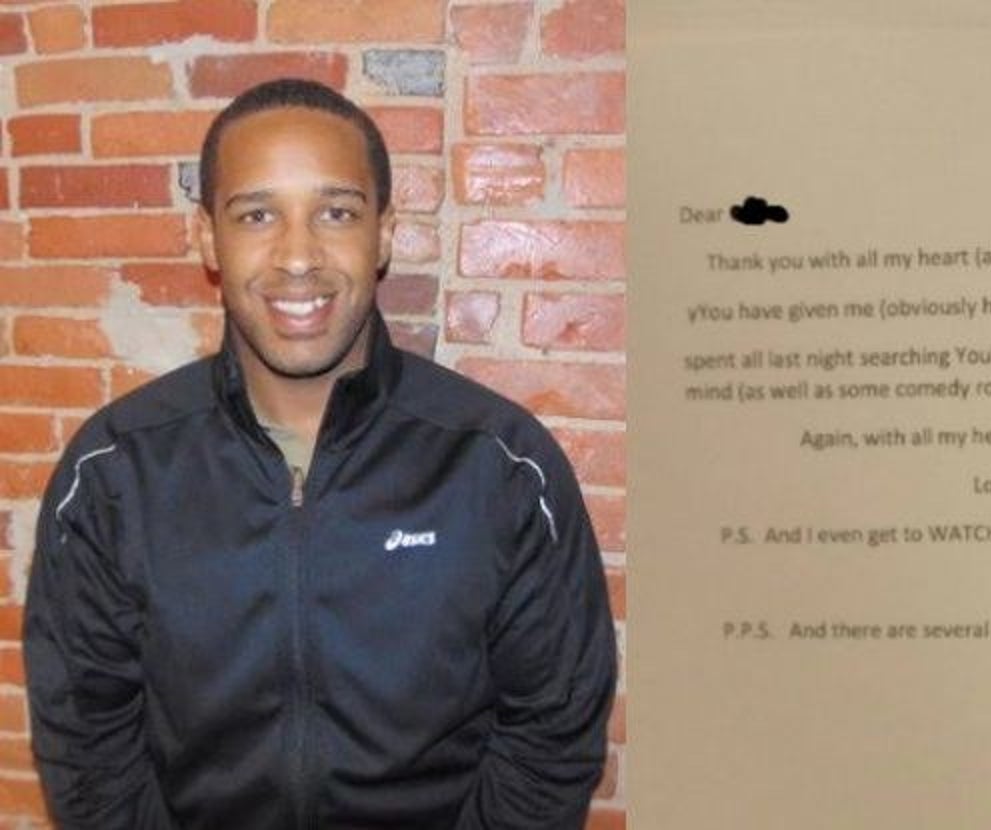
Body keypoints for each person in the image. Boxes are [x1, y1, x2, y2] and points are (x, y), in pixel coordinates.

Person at [22, 78, 617, 829]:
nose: (298, 256)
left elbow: (551, 736)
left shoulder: (499, 468)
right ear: (207, 238)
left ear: (385, 233)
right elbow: (88, 743)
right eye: (257, 214)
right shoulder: (115, 472)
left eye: (336, 213)